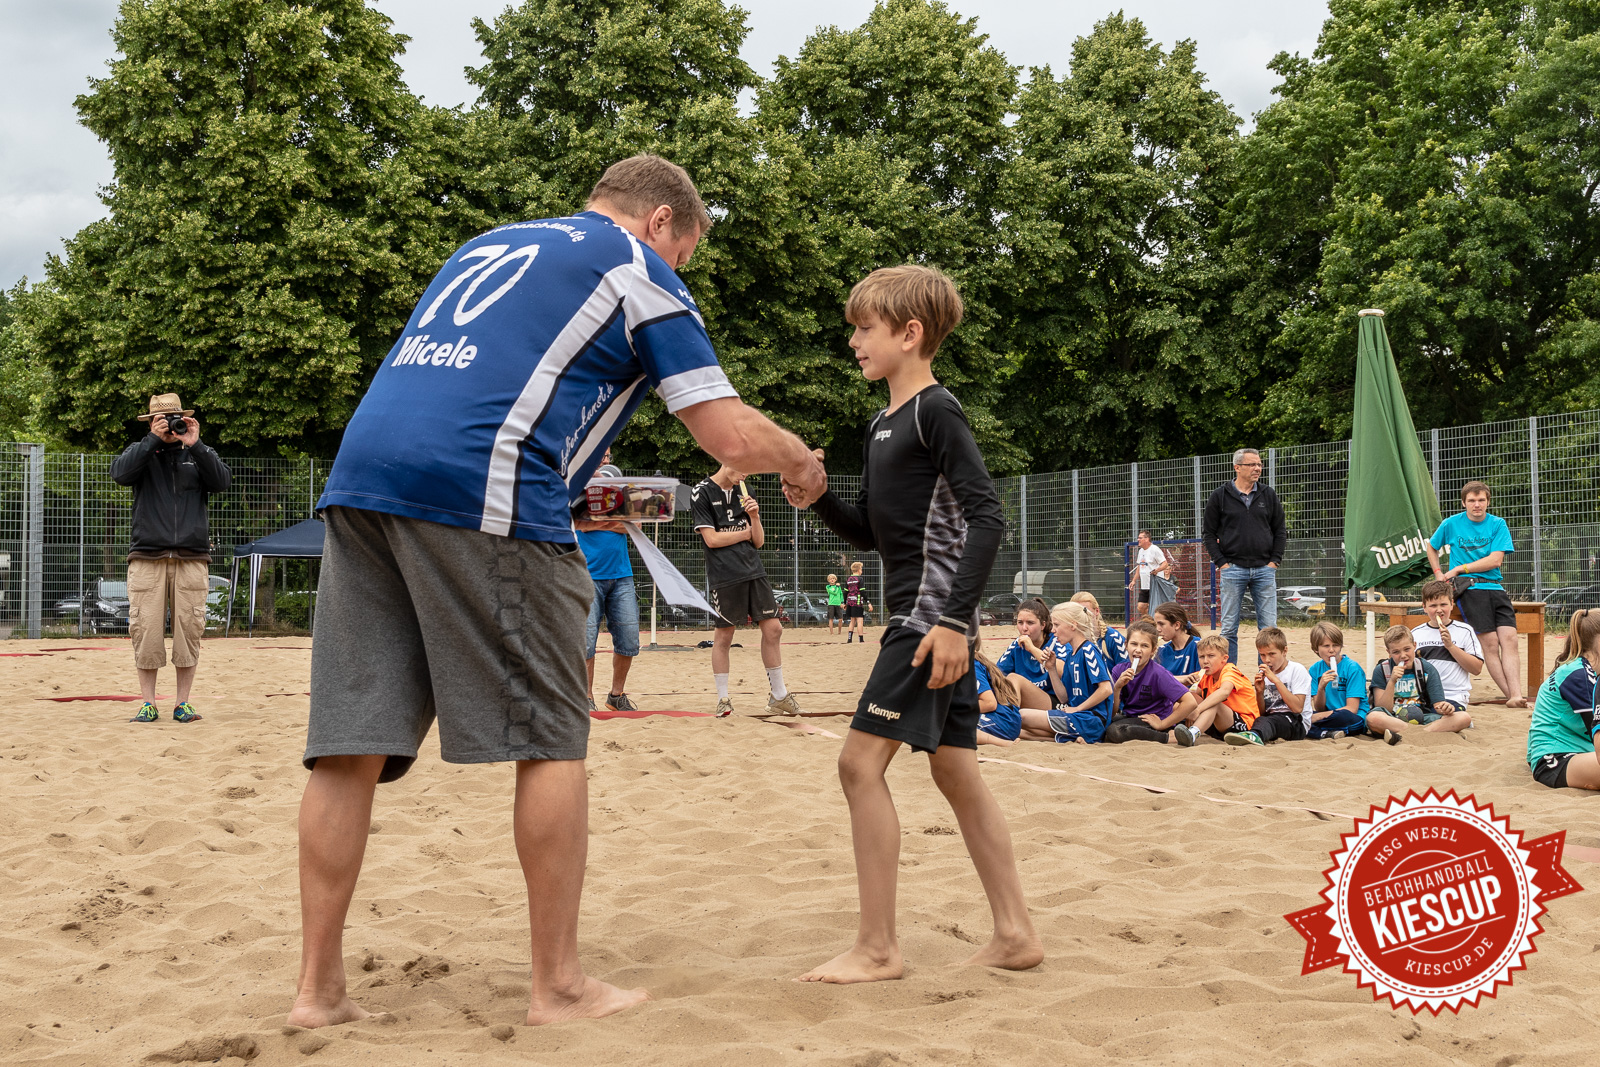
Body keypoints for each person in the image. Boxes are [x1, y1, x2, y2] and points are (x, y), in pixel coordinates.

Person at [291, 154, 827, 1028]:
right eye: (685, 251)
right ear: (661, 222)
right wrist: (801, 460)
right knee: (551, 738)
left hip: (361, 480)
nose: (679, 269)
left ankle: (317, 992)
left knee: (347, 744)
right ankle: (560, 985)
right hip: (484, 487)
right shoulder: (635, 266)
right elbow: (723, 427)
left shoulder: (488, 244)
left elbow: (489, 384)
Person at [798, 263, 1041, 983]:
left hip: (929, 621)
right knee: (956, 771)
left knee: (856, 765)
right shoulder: (880, 422)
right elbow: (874, 532)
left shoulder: (937, 409)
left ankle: (877, 947)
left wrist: (956, 622)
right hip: (924, 619)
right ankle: (1015, 931)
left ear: (911, 333)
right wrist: (814, 495)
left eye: (864, 328)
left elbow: (987, 516)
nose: (852, 341)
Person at [109, 393, 232, 725]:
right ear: (149, 422)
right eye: (160, 420)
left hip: (192, 558)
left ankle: (183, 703)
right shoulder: (142, 454)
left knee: (188, 631)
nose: (169, 425)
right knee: (145, 631)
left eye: (175, 418)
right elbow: (119, 474)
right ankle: (148, 703)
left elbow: (222, 481)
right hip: (147, 557)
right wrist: (151, 440)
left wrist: (196, 444)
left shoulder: (197, 452)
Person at [691, 466, 801, 717]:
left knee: (774, 629)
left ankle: (779, 695)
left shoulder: (745, 490)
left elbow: (758, 541)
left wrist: (755, 517)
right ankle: (723, 699)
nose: (745, 476)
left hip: (754, 569)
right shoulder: (702, 492)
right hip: (725, 574)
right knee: (725, 636)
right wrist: (745, 533)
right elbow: (712, 540)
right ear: (725, 460)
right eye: (742, 470)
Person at [1426, 481, 1527, 707]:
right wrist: (1438, 573)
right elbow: (1431, 546)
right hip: (1470, 589)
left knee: (1510, 639)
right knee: (1490, 643)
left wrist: (1460, 568)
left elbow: (1495, 560)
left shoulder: (1498, 524)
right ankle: (1513, 696)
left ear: (1488, 502)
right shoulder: (1451, 523)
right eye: (1471, 500)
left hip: (1496, 588)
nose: (1477, 505)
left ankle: (1516, 694)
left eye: (1481, 500)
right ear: (1464, 503)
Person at [1202, 447, 1286, 664]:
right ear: (1237, 467)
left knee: (1268, 629)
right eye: (1252, 464)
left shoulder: (1268, 494)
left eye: (1259, 464)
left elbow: (1280, 531)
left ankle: (1267, 679)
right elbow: (1208, 534)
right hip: (1233, 570)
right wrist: (1222, 563)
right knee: (1229, 629)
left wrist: (1274, 562)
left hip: (1264, 571)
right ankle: (1230, 679)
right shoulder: (1220, 496)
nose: (1257, 468)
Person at [574, 451, 638, 713]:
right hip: (586, 575)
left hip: (621, 575)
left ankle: (616, 695)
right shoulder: (578, 488)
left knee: (629, 639)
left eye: (608, 456)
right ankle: (586, 697)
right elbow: (579, 524)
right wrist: (615, 521)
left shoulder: (620, 488)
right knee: (587, 642)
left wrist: (597, 521)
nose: (605, 460)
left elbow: (635, 526)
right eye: (600, 456)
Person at [1016, 601, 1113, 744]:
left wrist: (1078, 708)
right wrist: (1051, 669)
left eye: (1056, 625)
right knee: (1021, 731)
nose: (1053, 630)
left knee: (1022, 716)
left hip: (1091, 720)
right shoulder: (1070, 656)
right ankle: (1072, 738)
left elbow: (1106, 689)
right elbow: (1063, 698)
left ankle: (1081, 736)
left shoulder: (1088, 650)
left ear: (1073, 625)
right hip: (1077, 717)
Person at [1527, 609, 1600, 790]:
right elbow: (1596, 732)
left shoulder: (1584, 669)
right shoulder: (1579, 675)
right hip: (1554, 759)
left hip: (1578, 750)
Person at [1306, 621, 1404, 744]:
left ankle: (1321, 731)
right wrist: (1321, 688)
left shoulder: (1352, 668)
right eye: (1326, 646)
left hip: (1353, 718)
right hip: (1329, 716)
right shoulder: (1315, 670)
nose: (1332, 650)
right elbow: (1320, 708)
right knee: (1298, 717)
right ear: (1316, 649)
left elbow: (1351, 709)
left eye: (1335, 645)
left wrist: (1318, 717)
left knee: (1338, 717)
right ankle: (1328, 733)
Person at [1102, 620, 1197, 744]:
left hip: (1154, 720)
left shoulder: (1158, 673)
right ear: (1126, 645)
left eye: (1144, 646)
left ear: (1153, 650)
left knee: (1115, 731)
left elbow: (1190, 702)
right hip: (1132, 717)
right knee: (1101, 723)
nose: (1138, 650)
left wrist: (1162, 724)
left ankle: (1169, 737)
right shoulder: (1118, 670)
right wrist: (1118, 688)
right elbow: (1113, 712)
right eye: (1134, 644)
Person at [1369, 625, 1473, 735]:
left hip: (1423, 718)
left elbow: (1437, 705)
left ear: (1414, 646)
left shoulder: (1426, 669)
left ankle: (1418, 733)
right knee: (1373, 718)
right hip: (1392, 719)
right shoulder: (1382, 670)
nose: (1403, 656)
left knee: (1464, 717)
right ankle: (1422, 733)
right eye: (1396, 652)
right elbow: (1384, 708)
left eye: (1407, 649)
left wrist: (1445, 708)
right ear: (1388, 652)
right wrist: (1392, 681)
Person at [1410, 579, 1485, 711]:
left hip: (1453, 696)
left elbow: (1476, 669)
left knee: (1454, 717)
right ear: (1424, 607)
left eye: (1443, 604)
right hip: (1422, 696)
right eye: (1433, 606)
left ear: (1451, 604)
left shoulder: (1465, 631)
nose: (1439, 610)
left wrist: (1450, 646)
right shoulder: (1415, 633)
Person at [1173, 634, 1260, 746]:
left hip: (1243, 726)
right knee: (1186, 697)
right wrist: (1185, 680)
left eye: (1211, 656)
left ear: (1224, 659)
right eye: (1201, 657)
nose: (1205, 661)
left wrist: (1197, 710)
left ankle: (1192, 734)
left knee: (1214, 703)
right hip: (1217, 725)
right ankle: (1168, 726)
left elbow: (1224, 692)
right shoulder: (1205, 675)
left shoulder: (1230, 670)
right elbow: (1173, 684)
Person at [1233, 627, 1311, 745]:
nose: (1267, 660)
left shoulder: (1296, 670)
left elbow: (1297, 708)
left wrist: (1276, 681)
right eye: (1262, 655)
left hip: (1296, 722)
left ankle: (1255, 735)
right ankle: (1252, 734)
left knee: (1273, 721)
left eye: (1272, 654)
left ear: (1284, 651)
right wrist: (1259, 692)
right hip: (1271, 720)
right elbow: (1263, 713)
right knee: (1260, 720)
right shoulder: (1265, 674)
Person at [994, 598, 1056, 710]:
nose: (1024, 628)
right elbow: (997, 673)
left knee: (1014, 678)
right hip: (1027, 700)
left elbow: (1060, 669)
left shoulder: (1056, 642)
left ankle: (1008, 719)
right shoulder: (1017, 645)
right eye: (1020, 622)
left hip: (1053, 700)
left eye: (1030, 623)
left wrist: (1032, 648)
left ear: (1043, 625)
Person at [975, 650, 1023, 747]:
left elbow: (989, 703)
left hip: (1001, 719)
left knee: (952, 729)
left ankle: (1005, 743)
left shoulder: (970, 665)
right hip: (1006, 717)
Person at [1070, 591, 1127, 673]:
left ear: (1097, 611)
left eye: (1085, 611)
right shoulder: (1068, 640)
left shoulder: (1113, 637)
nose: (1081, 616)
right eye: (1075, 613)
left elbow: (1125, 670)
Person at [1127, 530, 1171, 620]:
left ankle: (1158, 622)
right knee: (1141, 606)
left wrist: (1157, 570)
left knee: (1157, 608)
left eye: (1140, 538)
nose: (1138, 539)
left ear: (1147, 539)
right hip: (1145, 585)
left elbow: (1165, 564)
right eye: (1138, 538)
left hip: (1155, 585)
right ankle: (1150, 620)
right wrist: (1134, 580)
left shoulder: (1154, 549)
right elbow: (1139, 566)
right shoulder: (1141, 551)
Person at [1152, 602, 1202, 680]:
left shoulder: (1199, 646)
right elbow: (1154, 679)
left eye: (1161, 624)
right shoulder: (1162, 651)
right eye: (1156, 625)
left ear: (1177, 625)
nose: (1157, 629)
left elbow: (1202, 679)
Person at [843, 560, 869, 643]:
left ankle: (849, 639)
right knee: (860, 620)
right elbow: (862, 591)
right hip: (857, 602)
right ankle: (861, 639)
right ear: (858, 570)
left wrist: (844, 603)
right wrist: (868, 601)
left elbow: (845, 592)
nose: (862, 571)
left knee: (852, 620)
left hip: (850, 602)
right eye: (861, 569)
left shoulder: (848, 579)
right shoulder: (860, 579)